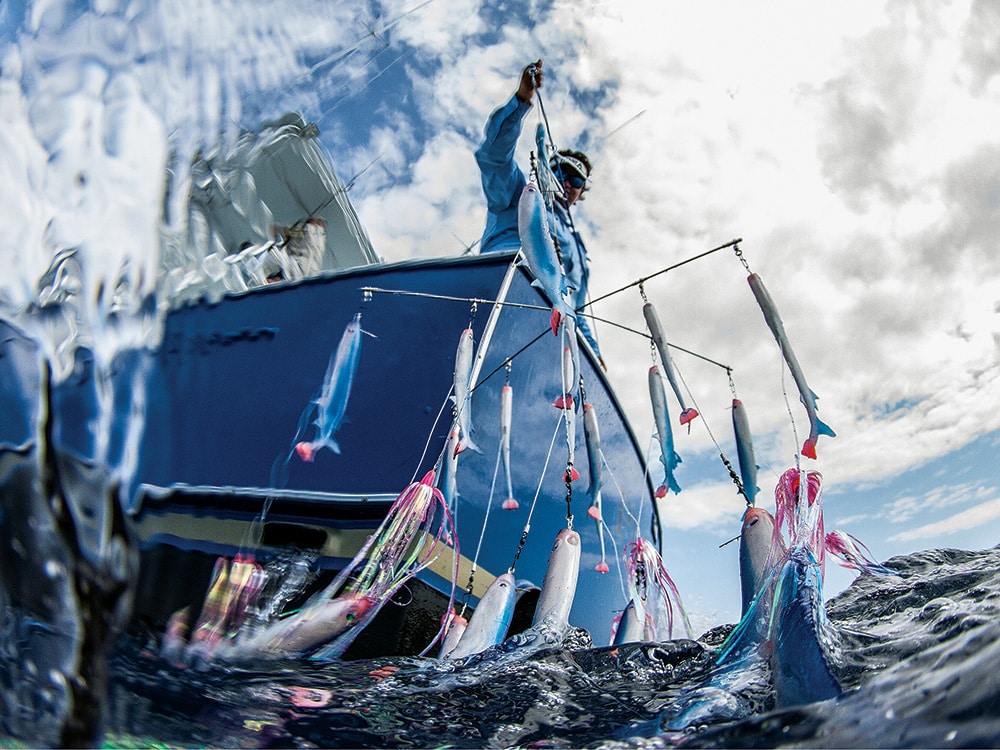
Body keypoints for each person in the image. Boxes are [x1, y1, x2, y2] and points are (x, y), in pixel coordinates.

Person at [475, 60, 601, 359]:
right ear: (546, 168)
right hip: (500, 284)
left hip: (550, 323)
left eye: (576, 180)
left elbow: (576, 309)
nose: (566, 182)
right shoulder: (520, 191)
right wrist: (521, 100)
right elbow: (493, 158)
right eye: (559, 170)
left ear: (581, 193)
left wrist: (593, 356)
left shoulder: (579, 253)